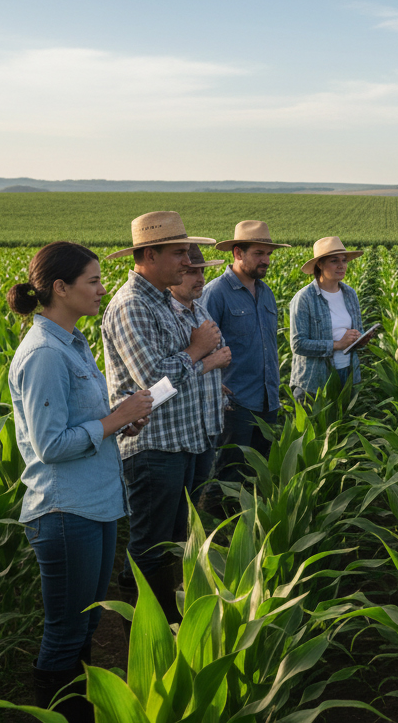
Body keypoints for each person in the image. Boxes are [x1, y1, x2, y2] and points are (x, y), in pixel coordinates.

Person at [9, 242, 153, 720]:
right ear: (60, 288)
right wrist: (116, 421)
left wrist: (119, 420)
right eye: (92, 281)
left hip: (95, 504)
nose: (101, 289)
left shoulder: (72, 343)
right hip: (66, 511)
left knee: (85, 629)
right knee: (66, 634)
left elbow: (80, 424)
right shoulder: (45, 354)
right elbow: (50, 446)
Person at [102, 211, 224, 626]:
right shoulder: (132, 306)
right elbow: (153, 383)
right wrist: (197, 352)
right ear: (149, 255)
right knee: (151, 545)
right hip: (155, 447)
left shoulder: (166, 302)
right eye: (178, 254)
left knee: (173, 542)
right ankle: (142, 631)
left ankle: (164, 621)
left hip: (187, 440)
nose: (187, 263)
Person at [201, 220, 290, 510]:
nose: (266, 260)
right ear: (238, 252)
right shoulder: (216, 293)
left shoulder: (265, 292)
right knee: (228, 476)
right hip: (235, 403)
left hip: (267, 399)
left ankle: (250, 529)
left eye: (268, 254)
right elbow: (200, 348)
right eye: (258, 253)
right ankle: (221, 537)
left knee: (258, 474)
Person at [168, 243, 230, 508]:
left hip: (206, 427)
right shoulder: (167, 315)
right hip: (179, 433)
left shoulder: (200, 309)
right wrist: (211, 361)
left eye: (202, 271)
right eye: (192, 272)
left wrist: (216, 383)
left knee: (191, 506)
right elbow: (162, 378)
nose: (201, 278)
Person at [290, 237, 365, 397]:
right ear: (320, 264)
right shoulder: (304, 298)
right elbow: (298, 344)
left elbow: (358, 329)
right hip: (314, 381)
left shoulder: (350, 294)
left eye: (344, 260)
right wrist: (337, 345)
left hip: (347, 373)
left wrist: (359, 337)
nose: (341, 265)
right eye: (334, 261)